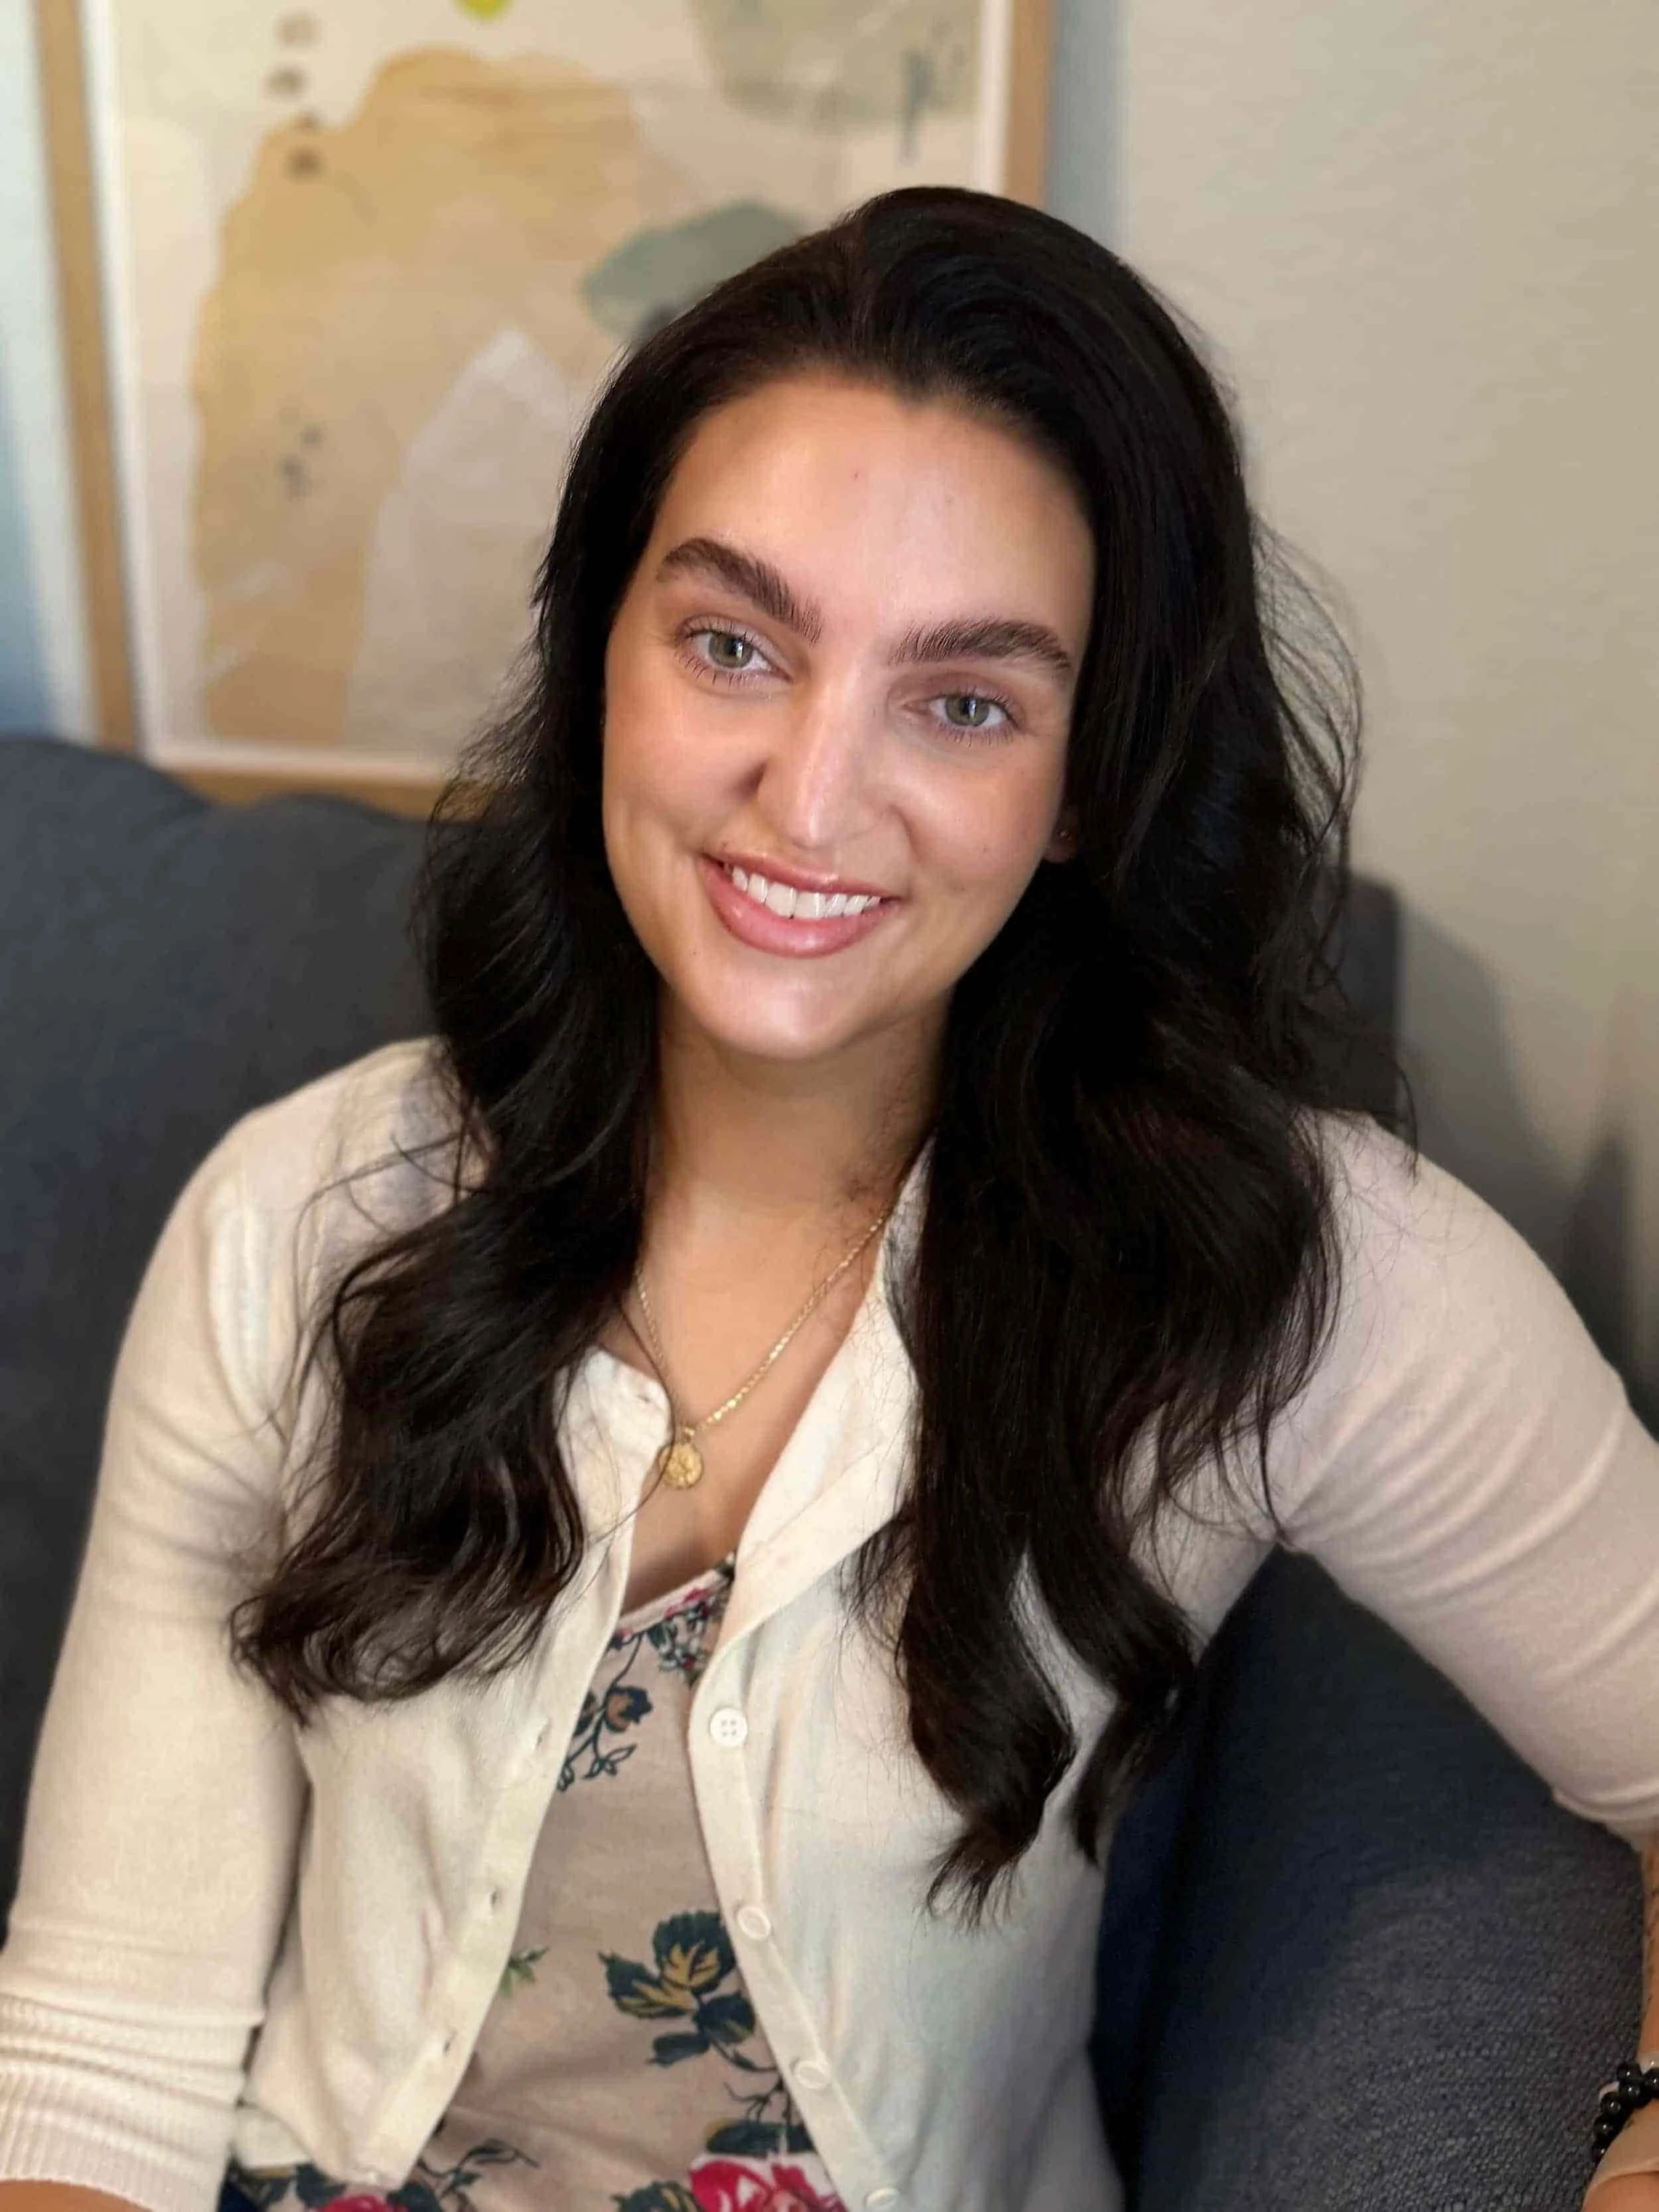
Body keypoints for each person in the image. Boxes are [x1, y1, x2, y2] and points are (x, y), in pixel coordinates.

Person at [0, 184, 1655, 2212]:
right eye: (731, 642)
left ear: (1086, 779)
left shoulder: (1270, 1278)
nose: (805, 796)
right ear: (597, 650)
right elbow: (102, 2051)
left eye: (962, 700)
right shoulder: (298, 1225)